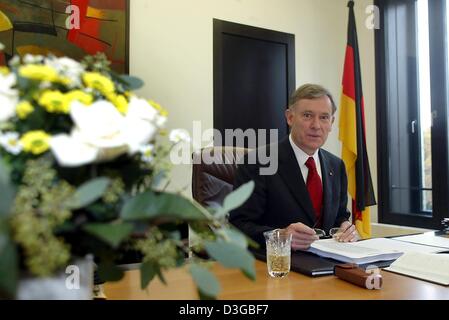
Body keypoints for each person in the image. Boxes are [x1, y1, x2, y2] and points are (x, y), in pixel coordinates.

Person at [229, 84, 358, 251]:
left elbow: (340, 216)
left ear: (332, 123)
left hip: (326, 266)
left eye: (324, 117)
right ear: (290, 118)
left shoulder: (336, 165)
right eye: (307, 115)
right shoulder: (258, 162)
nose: (316, 125)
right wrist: (281, 237)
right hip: (276, 266)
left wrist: (346, 228)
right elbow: (238, 226)